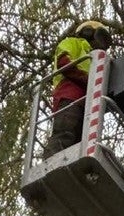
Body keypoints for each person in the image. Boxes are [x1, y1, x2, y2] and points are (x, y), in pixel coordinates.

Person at [44, 20, 113, 159]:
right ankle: (51, 161)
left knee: (80, 142)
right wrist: (88, 81)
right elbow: (64, 63)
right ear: (88, 32)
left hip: (89, 103)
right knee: (65, 132)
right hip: (70, 96)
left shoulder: (97, 59)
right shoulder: (73, 43)